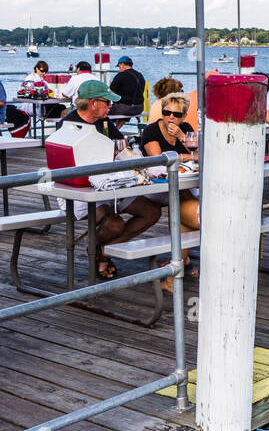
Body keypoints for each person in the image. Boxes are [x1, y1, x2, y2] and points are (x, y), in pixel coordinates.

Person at [55, 80, 161, 279]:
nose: (110, 106)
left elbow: (121, 146)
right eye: (107, 102)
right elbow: (65, 165)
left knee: (151, 212)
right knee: (114, 224)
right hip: (80, 189)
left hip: (109, 183)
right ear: (93, 103)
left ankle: (103, 250)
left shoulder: (104, 121)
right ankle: (97, 252)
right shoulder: (67, 125)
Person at [139, 91, 202, 291]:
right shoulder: (151, 130)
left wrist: (182, 137)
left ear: (183, 116)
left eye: (176, 114)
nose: (171, 118)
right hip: (153, 187)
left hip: (180, 185)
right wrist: (187, 157)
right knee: (188, 206)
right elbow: (159, 160)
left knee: (184, 200)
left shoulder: (185, 129)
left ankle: (177, 265)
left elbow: (200, 154)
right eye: (167, 113)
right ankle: (178, 263)